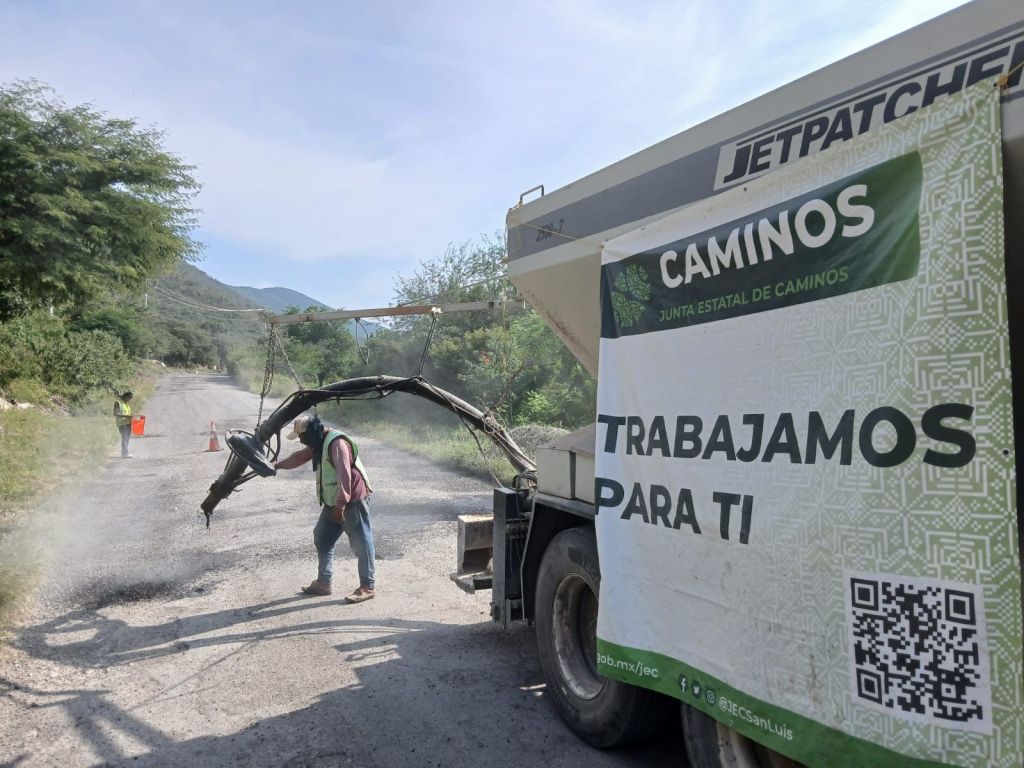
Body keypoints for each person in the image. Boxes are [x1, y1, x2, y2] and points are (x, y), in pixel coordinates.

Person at [274, 414, 376, 603]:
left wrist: (341, 505)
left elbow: (344, 477)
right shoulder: (318, 443)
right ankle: (324, 582)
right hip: (333, 501)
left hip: (350, 501)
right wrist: (276, 466)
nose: (301, 441)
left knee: (361, 543)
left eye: (302, 437)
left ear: (312, 432)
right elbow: (300, 457)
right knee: (322, 537)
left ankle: (367, 586)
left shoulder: (336, 444)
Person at [113, 391, 134, 458]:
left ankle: (125, 452)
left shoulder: (126, 403)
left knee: (126, 438)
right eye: (128, 398)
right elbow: (116, 413)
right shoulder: (118, 402)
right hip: (122, 424)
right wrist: (127, 416)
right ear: (125, 396)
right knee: (125, 438)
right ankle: (125, 454)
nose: (129, 400)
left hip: (128, 423)